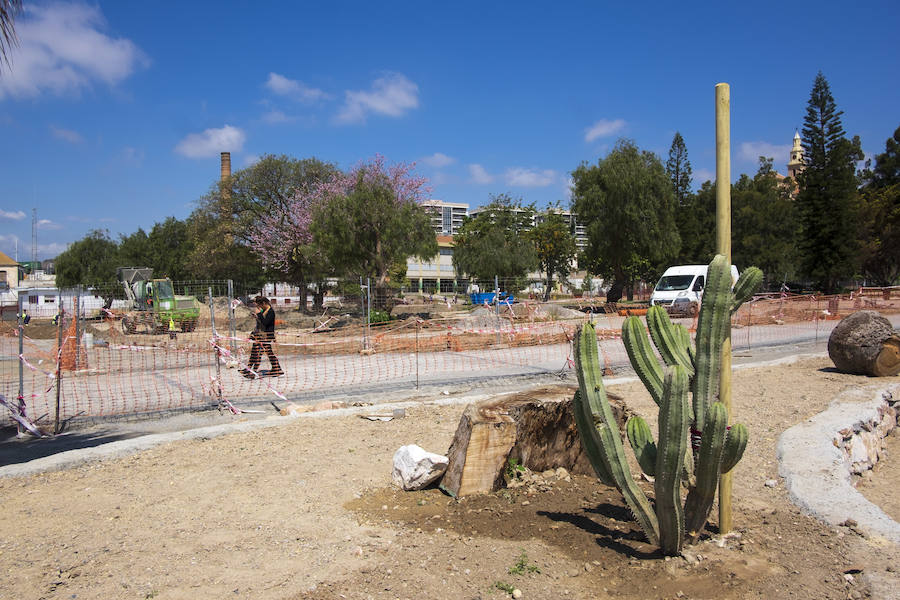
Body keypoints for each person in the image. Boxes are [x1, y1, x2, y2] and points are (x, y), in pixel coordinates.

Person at [241, 296, 283, 378]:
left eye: (259, 305)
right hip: (260, 335)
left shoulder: (271, 312)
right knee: (259, 352)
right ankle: (275, 368)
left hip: (267, 335)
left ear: (264, 303)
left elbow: (266, 323)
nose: (259, 307)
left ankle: (254, 371)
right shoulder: (264, 311)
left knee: (263, 352)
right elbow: (260, 323)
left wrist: (259, 314)